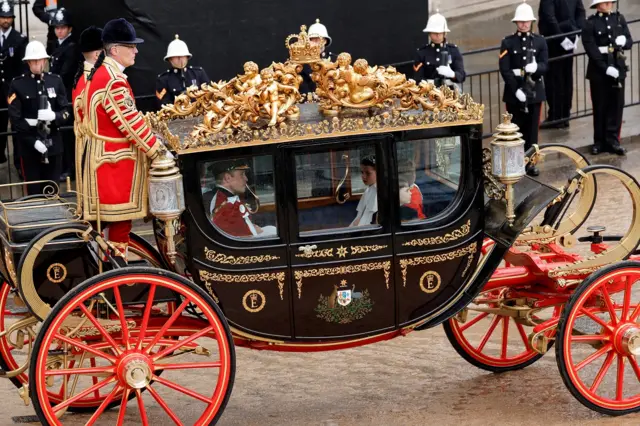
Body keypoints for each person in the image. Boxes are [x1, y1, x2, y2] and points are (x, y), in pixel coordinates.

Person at [78, 18, 169, 262]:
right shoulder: (113, 79)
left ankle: (114, 265)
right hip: (114, 166)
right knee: (120, 227)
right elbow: (130, 124)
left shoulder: (103, 73)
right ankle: (119, 268)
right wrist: (158, 151)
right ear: (115, 50)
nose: (136, 50)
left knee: (115, 229)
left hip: (104, 164)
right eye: (131, 46)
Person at [7, 40, 70, 195]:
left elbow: (66, 111)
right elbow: (16, 119)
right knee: (33, 192)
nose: (37, 64)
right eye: (33, 61)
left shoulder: (55, 81)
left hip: (53, 145)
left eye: (39, 60)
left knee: (52, 191)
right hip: (30, 148)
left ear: (45, 60)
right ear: (28, 62)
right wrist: (33, 141)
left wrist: (54, 116)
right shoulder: (18, 84)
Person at [499, 1, 548, 176]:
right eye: (521, 21)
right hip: (515, 93)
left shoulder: (540, 41)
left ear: (531, 22)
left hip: (534, 92)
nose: (524, 24)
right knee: (515, 131)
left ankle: (530, 163)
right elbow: (505, 69)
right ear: (516, 22)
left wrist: (536, 69)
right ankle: (515, 165)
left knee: (532, 131)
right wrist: (516, 90)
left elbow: (545, 64)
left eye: (527, 21)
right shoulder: (508, 42)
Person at [582, 0, 632, 156]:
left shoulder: (619, 18)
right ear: (598, 5)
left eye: (610, 2)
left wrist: (624, 41)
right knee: (600, 106)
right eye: (606, 2)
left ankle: (613, 140)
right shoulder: (591, 23)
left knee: (616, 106)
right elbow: (591, 48)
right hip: (599, 71)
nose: (610, 3)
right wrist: (605, 68)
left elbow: (629, 41)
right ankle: (599, 141)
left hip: (617, 67)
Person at [538, 0, 586, 128]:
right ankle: (563, 115)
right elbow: (580, 14)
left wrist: (570, 36)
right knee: (564, 78)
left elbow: (549, 18)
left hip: (555, 40)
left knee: (557, 79)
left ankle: (557, 116)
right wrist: (575, 34)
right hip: (566, 37)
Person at [207, 159, 277, 238]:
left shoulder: (226, 197)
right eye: (242, 174)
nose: (246, 179)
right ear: (228, 178)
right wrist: (253, 230)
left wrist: (250, 226)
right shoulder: (224, 204)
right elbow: (240, 238)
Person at [49, 7, 79, 181]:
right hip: (57, 95)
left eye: (62, 27)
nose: (59, 30)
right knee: (60, 133)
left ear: (69, 29)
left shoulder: (71, 47)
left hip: (66, 95)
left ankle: (71, 168)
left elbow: (65, 73)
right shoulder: (56, 45)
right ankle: (63, 166)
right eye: (57, 27)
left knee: (68, 135)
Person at [0, 0, 27, 165]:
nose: (5, 20)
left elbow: (22, 68)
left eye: (8, 17)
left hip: (12, 89)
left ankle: (19, 161)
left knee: (16, 125)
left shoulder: (19, 39)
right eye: (2, 17)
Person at [413, 12, 465, 90]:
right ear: (429, 33)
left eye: (440, 32)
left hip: (450, 92)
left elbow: (461, 76)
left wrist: (452, 74)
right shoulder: (422, 53)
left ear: (445, 33)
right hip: (429, 93)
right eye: (434, 32)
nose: (437, 35)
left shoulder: (453, 50)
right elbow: (418, 79)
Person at [155, 34, 210, 107]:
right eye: (176, 57)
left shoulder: (198, 73)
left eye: (183, 56)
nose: (180, 59)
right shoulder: (163, 79)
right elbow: (164, 105)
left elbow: (209, 96)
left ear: (187, 57)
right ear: (170, 59)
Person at [300, 19, 332, 95]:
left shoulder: (334, 59)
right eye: (312, 40)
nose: (315, 43)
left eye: (318, 40)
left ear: (325, 41)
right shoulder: (303, 62)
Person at [350, 155, 377, 227]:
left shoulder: (381, 193)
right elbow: (359, 217)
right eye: (362, 172)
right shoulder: (367, 191)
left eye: (368, 173)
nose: (363, 176)